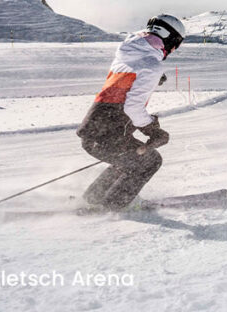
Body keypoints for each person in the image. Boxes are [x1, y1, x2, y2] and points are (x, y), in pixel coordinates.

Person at [76, 14, 186, 210]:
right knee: (150, 161)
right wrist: (153, 130)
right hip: (105, 136)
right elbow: (132, 107)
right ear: (171, 40)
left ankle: (93, 198)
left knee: (131, 158)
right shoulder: (151, 65)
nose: (174, 50)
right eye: (176, 44)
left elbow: (127, 80)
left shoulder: (128, 52)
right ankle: (115, 205)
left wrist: (152, 77)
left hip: (95, 131)